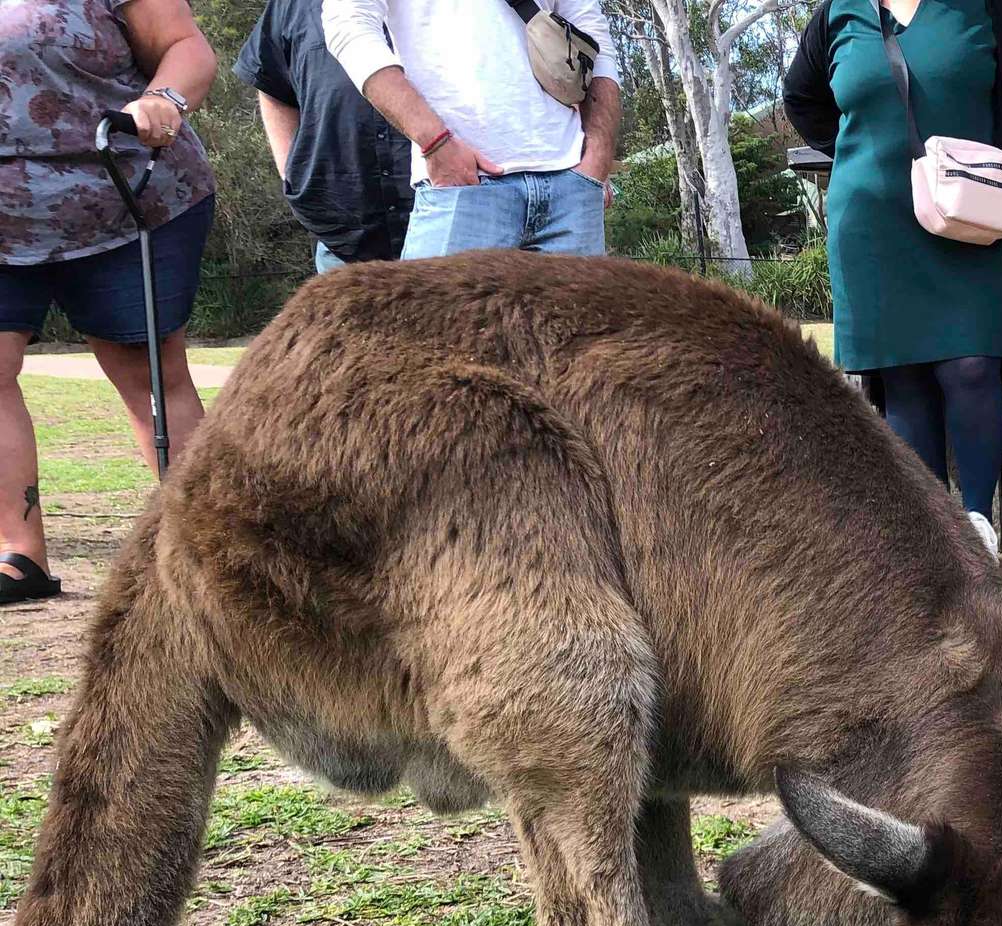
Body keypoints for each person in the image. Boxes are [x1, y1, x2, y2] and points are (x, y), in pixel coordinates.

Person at [783, 0, 1002, 557]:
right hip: (871, 222)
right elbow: (800, 97)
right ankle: (938, 540)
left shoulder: (983, 5)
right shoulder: (838, 13)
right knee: (904, 378)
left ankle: (978, 524)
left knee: (972, 364)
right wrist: (853, 150)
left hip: (966, 214)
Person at [0, 0, 218, 605]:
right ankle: (20, 556)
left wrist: (164, 101)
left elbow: (187, 46)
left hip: (122, 195)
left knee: (145, 369)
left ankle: (213, 547)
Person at [322, 0, 620, 257]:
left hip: (571, 189)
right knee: (427, 324)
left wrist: (598, 156)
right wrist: (435, 142)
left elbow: (591, 30)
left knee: (578, 326)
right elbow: (347, 23)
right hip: (463, 188)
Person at [234, 0, 414, 272]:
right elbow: (271, 85)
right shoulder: (294, 6)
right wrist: (290, 172)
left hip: (448, 224)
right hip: (342, 236)